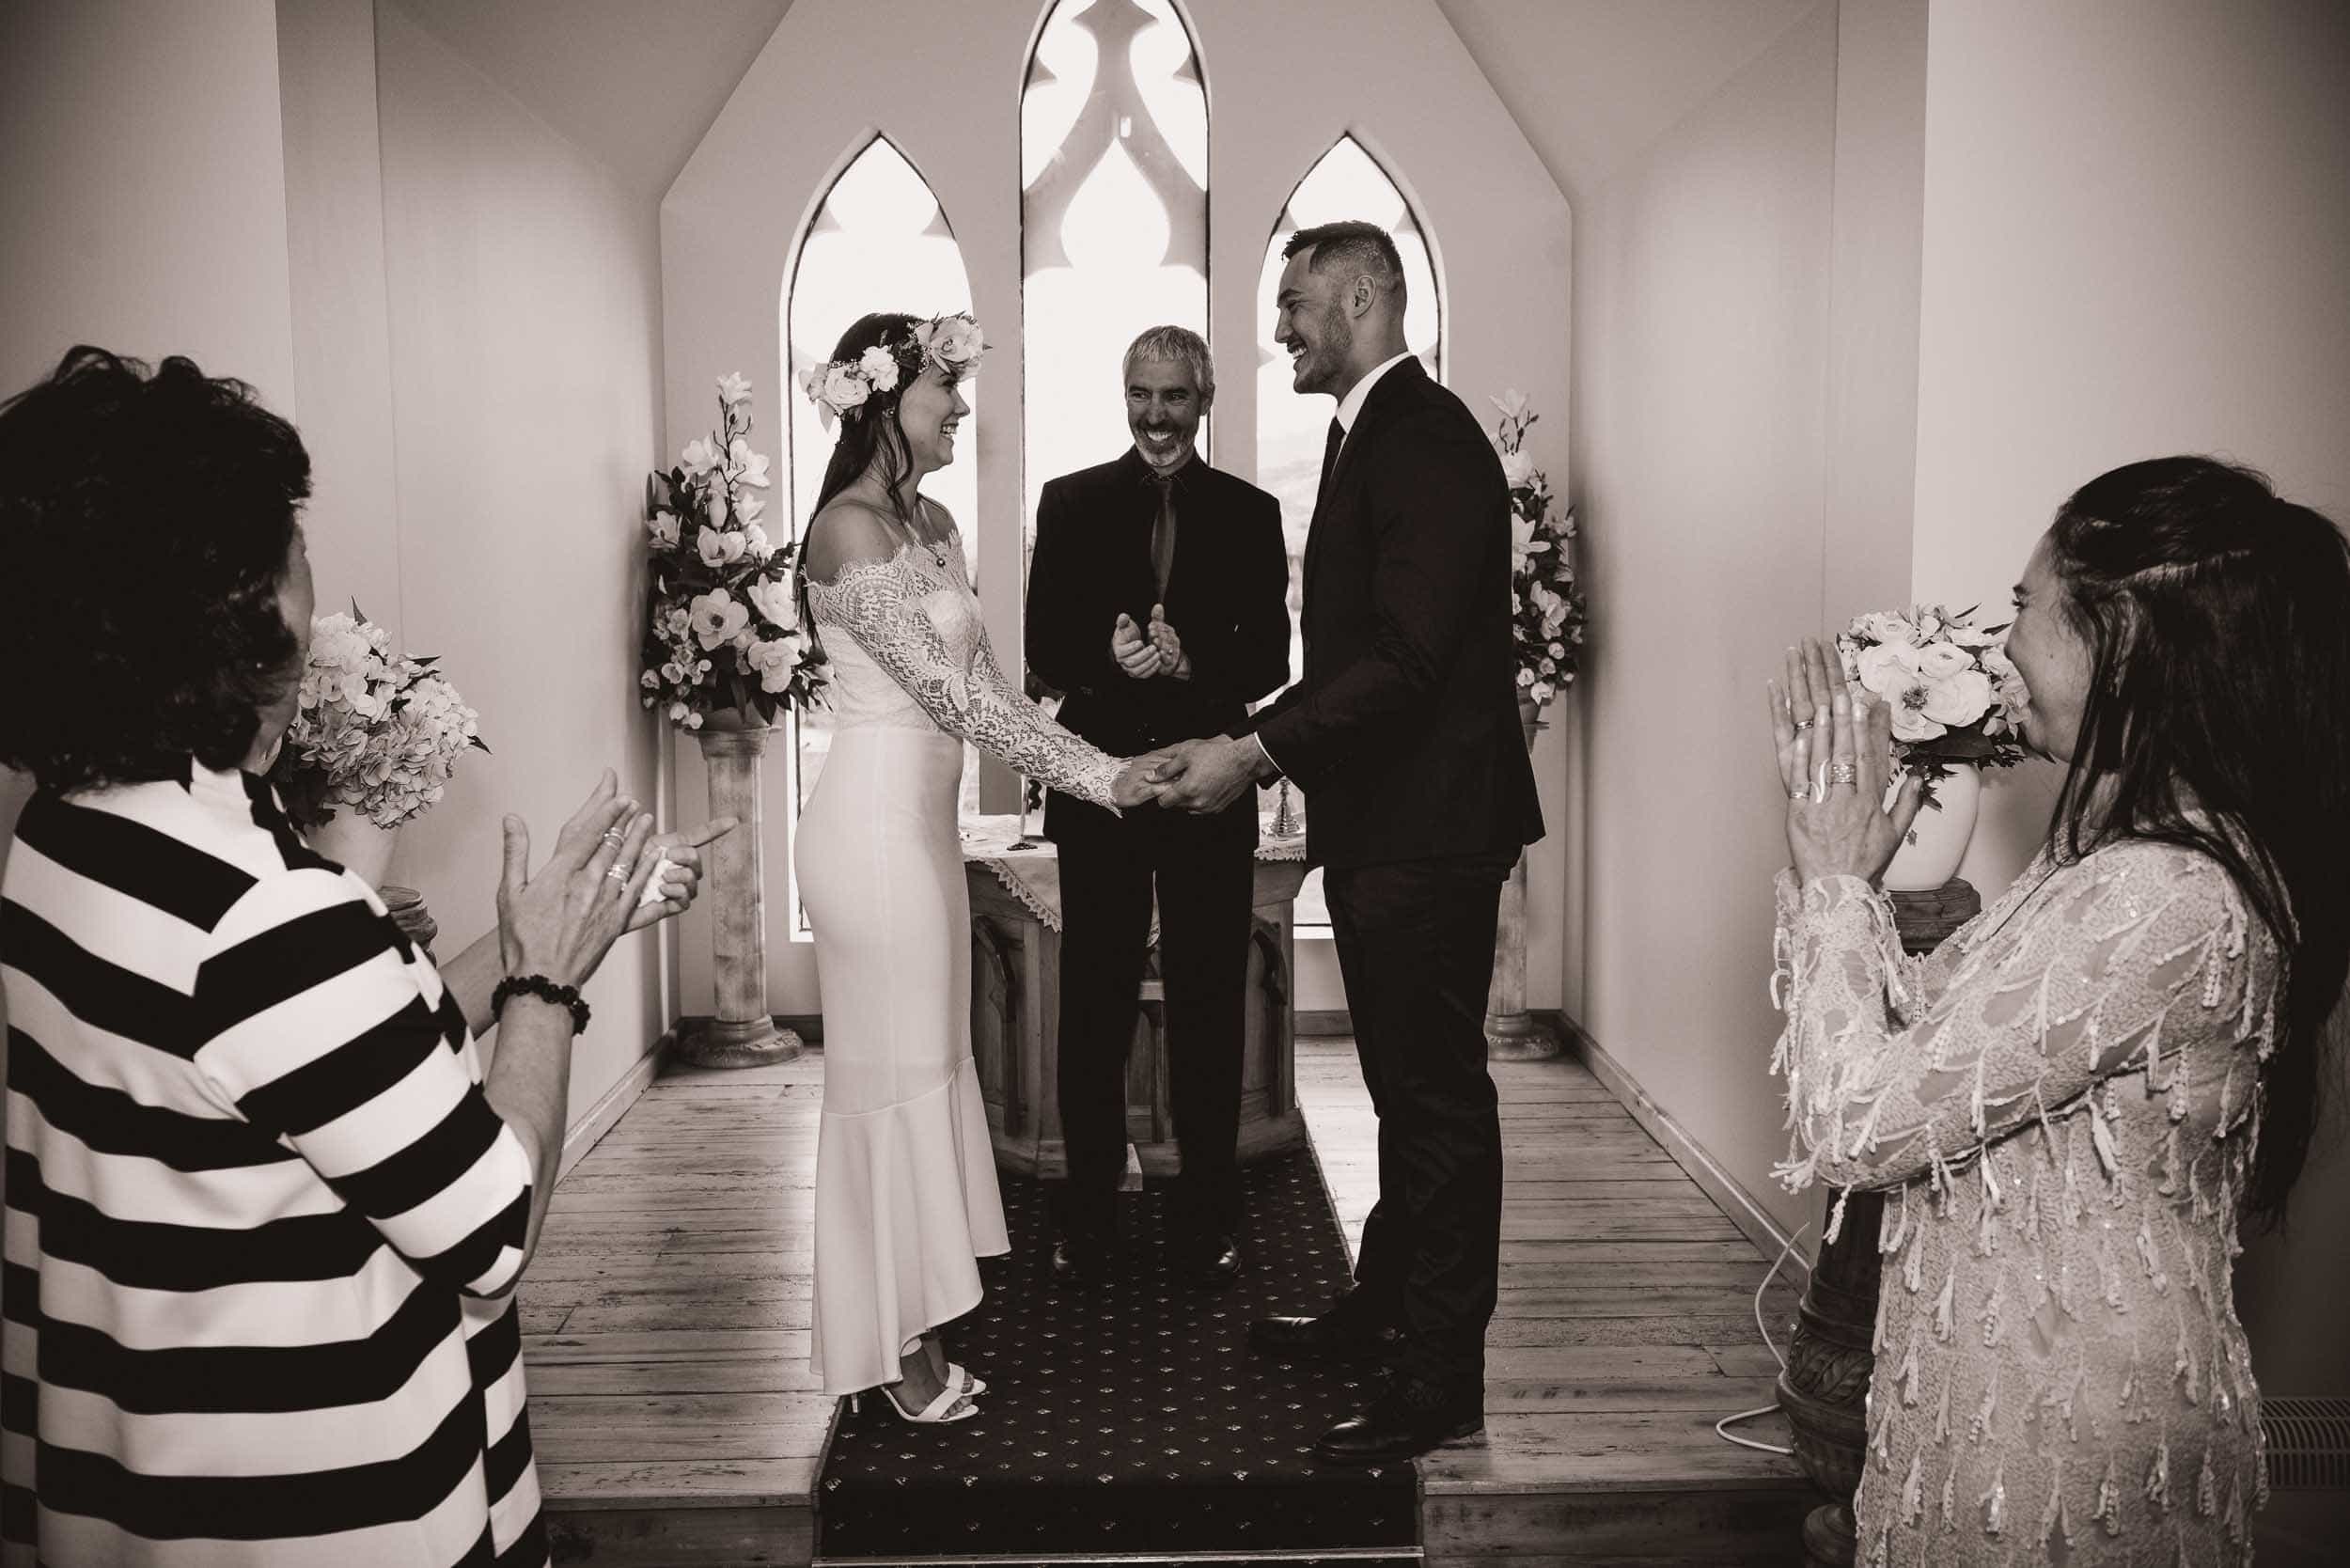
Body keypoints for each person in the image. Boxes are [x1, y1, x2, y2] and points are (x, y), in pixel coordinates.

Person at [0, 347, 725, 1567]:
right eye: (292, 546)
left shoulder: (60, 843)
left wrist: (560, 926)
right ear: (246, 609)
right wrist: (545, 987)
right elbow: (491, 1230)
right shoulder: (268, 915)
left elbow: (320, 1073)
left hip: (145, 1505)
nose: (313, 585)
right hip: (336, 1518)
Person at [1763, 456, 2349, 1567]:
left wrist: (1836, 888)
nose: (2004, 640)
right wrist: (1845, 869)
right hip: (1996, 1384)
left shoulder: (2164, 894)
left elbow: (1857, 1122)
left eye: (2028, 606)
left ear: (2119, 636)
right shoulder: (2106, 857)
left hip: (2063, 1432)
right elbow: (1933, 1057)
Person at [1152, 222, 1544, 1465]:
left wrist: (1253, 748)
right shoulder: (1376, 431)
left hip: (1428, 835)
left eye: (1297, 303)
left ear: (1364, 295)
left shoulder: (1422, 441)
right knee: (1401, 1097)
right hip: (1393, 826)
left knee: (1435, 1105)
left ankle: (1441, 1381)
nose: (1281, 329)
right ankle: (1387, 1310)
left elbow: (1408, 660)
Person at [792, 312, 1167, 1423]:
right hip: (865, 832)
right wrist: (1108, 779)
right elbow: (951, 704)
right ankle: (890, 1353)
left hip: (919, 832)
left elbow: (995, 690)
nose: (960, 409)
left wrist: (1099, 741)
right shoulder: (847, 535)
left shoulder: (936, 520)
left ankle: (914, 1318)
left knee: (927, 1065)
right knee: (887, 1080)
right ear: (881, 398)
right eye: (944, 389)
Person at [1024, 325, 1290, 1290]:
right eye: (1141, 394)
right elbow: (1043, 643)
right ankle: (1089, 1216)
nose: (1155, 415)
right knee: (1090, 1009)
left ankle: (1205, 1218)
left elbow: (1269, 660)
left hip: (1207, 791)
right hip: (1098, 789)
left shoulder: (1252, 513)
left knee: (1210, 1007)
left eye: (1174, 396)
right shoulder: (1069, 502)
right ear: (1123, 396)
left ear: (1204, 399)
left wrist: (1192, 664)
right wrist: (1113, 658)